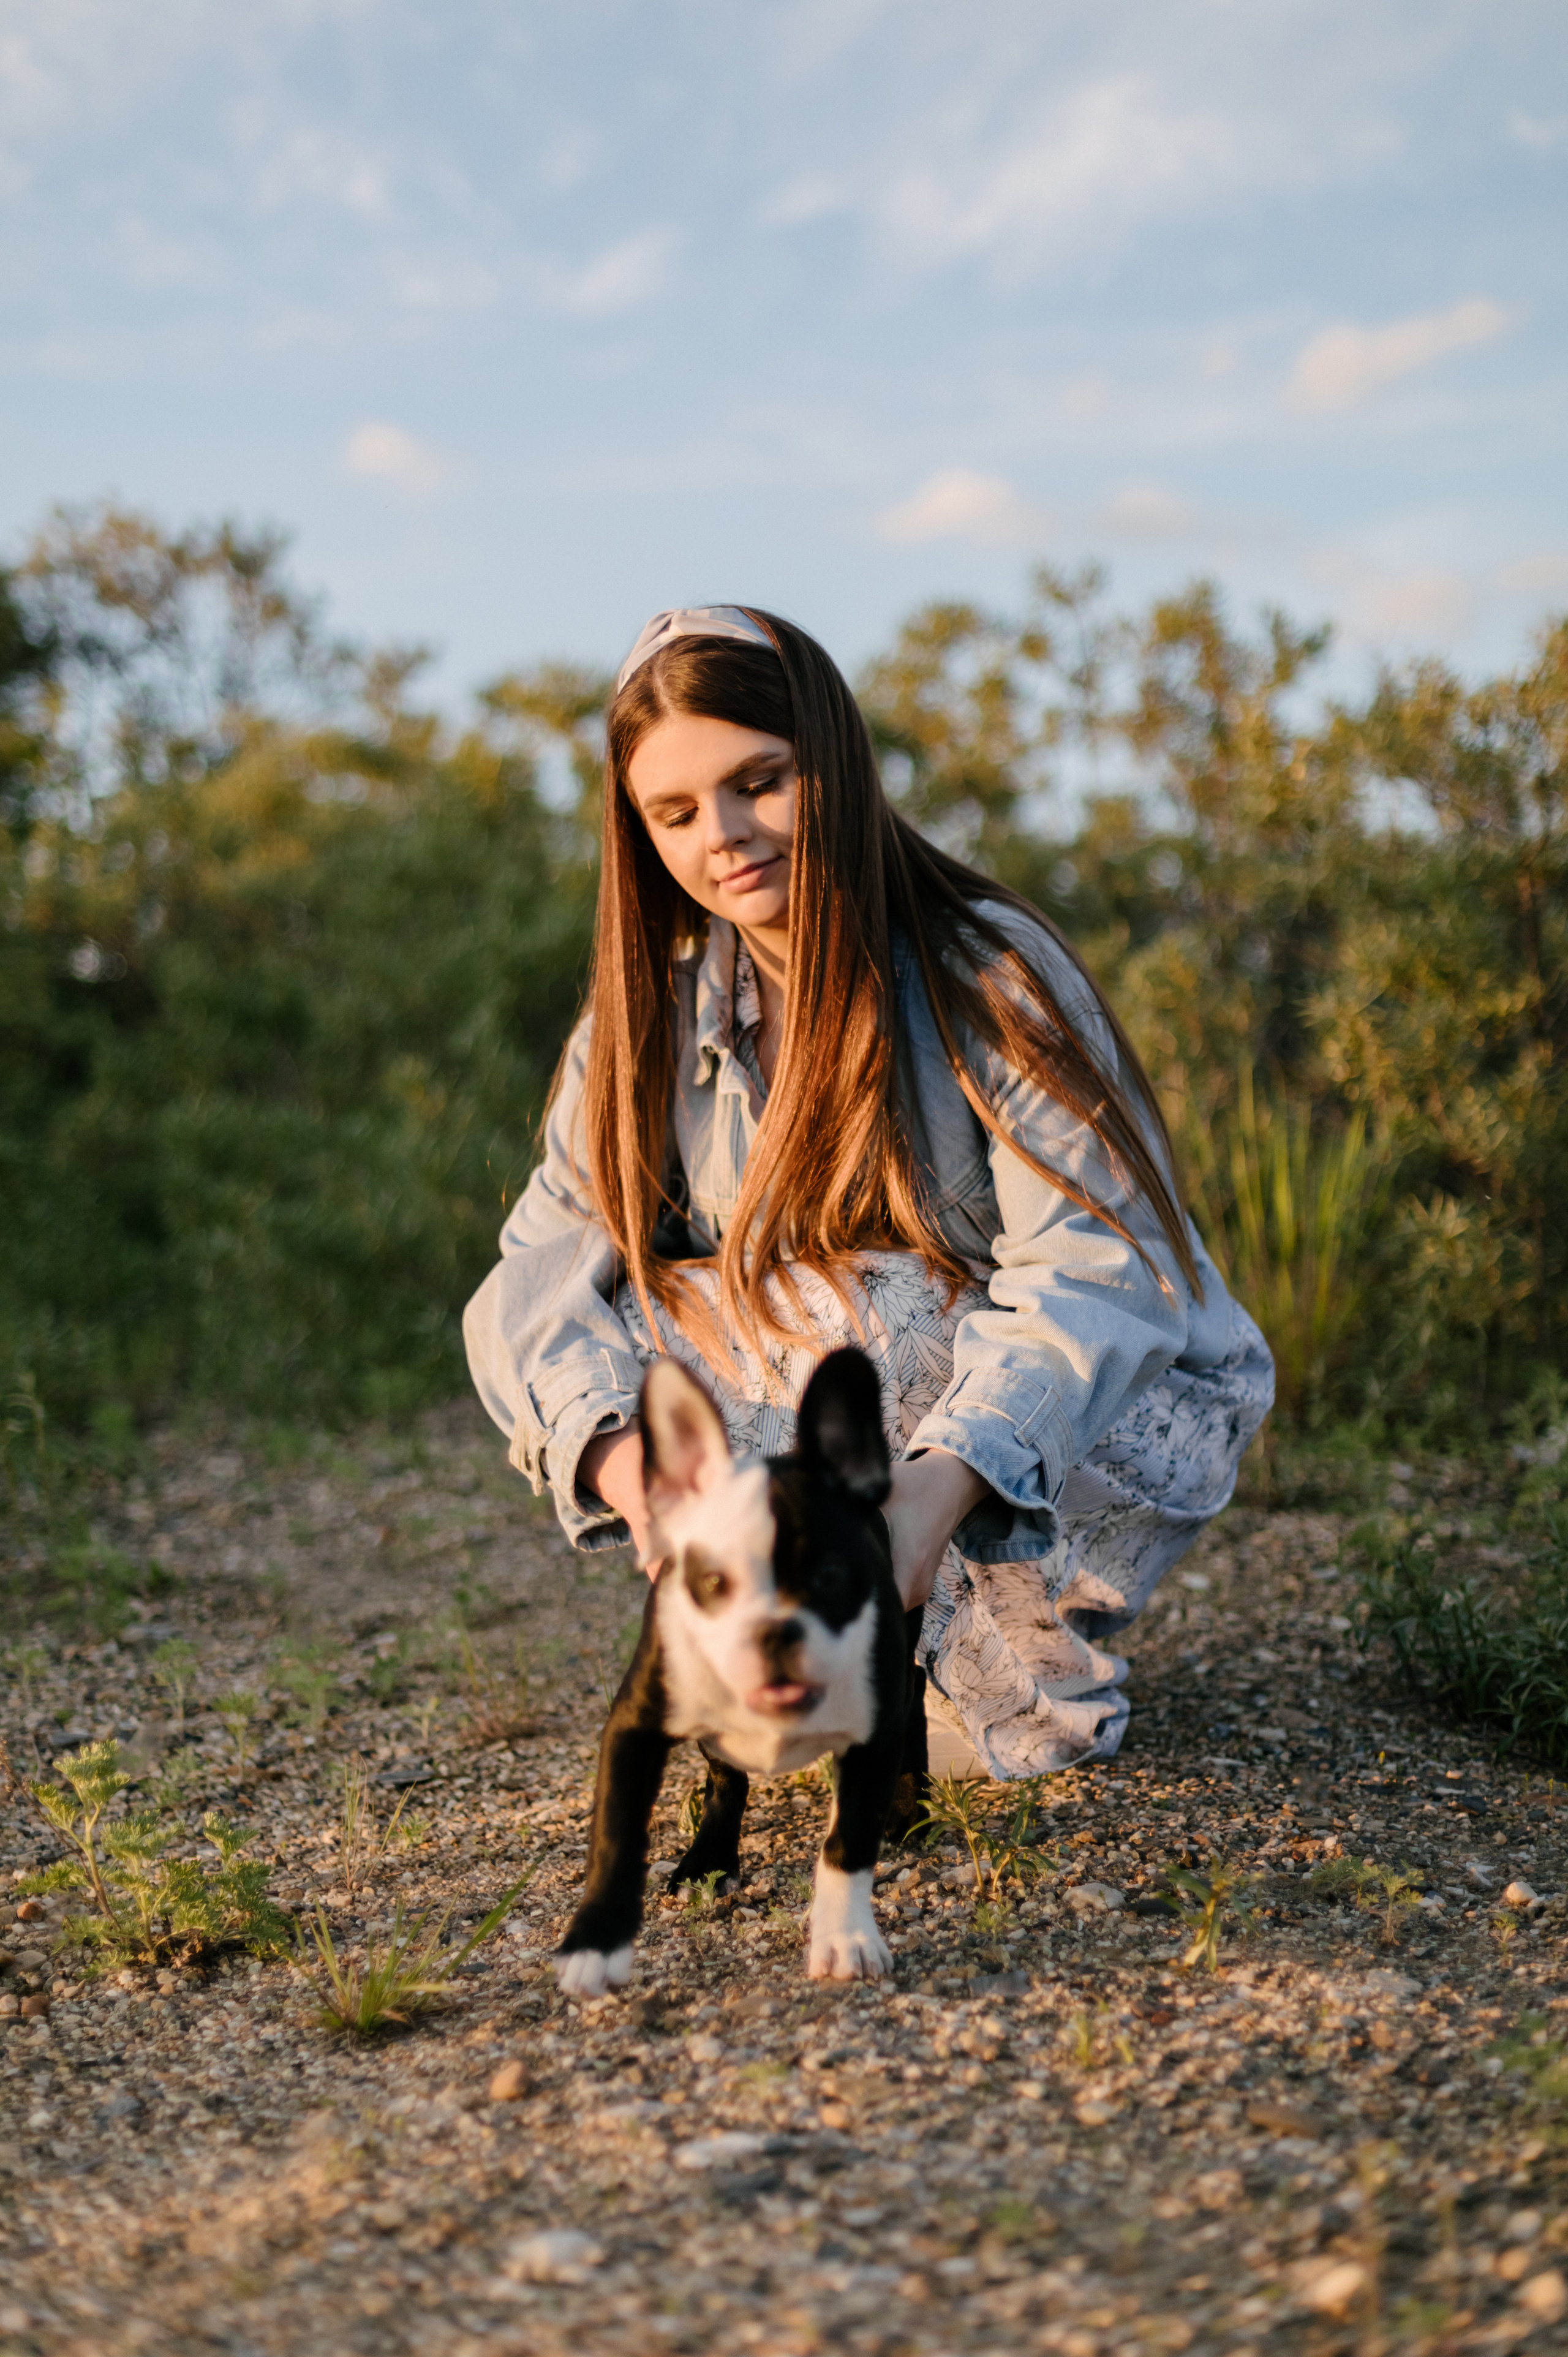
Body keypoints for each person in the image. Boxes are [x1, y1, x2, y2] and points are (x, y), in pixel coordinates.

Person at [464, 606, 1273, 1778]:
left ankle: (970, 1650)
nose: (725, 836)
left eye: (760, 782)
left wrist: (926, 1499)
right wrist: (631, 1471)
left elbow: (1100, 1276)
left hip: (1116, 1412)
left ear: (831, 764)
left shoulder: (985, 972)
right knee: (646, 1319)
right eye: (676, 813)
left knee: (853, 1304)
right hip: (873, 1410)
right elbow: (524, 1293)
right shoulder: (645, 1019)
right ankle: (862, 1651)